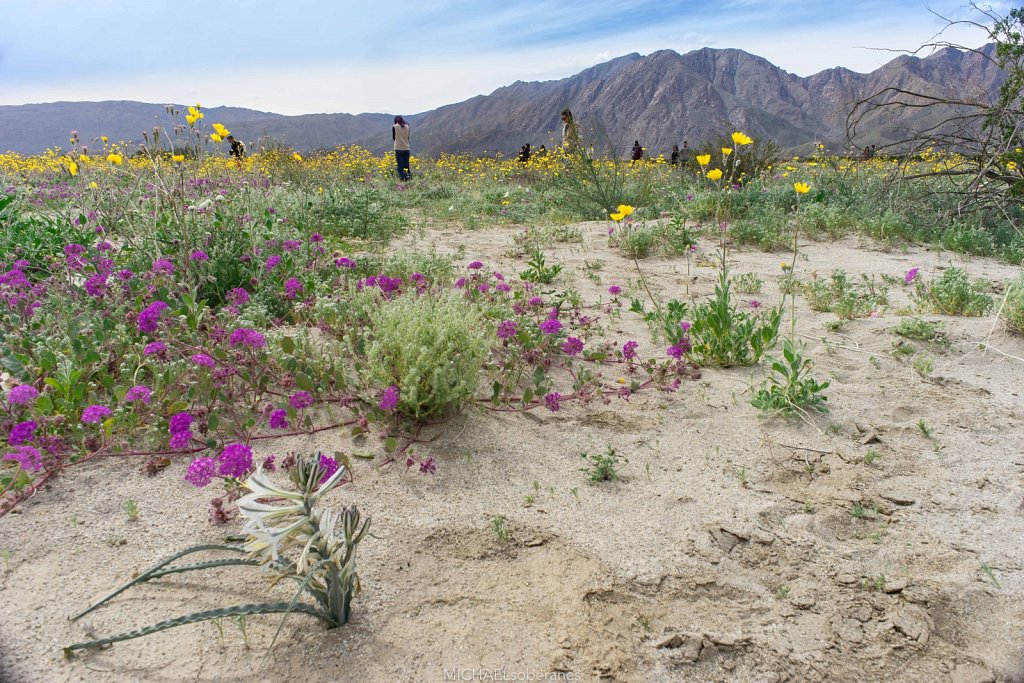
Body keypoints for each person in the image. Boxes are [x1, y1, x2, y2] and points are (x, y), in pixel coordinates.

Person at [392, 115, 411, 181]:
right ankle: (408, 177)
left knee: (400, 165)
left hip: (398, 148)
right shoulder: (407, 126)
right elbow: (408, 137)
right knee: (406, 165)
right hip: (407, 148)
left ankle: (402, 179)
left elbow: (394, 138)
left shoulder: (395, 126)